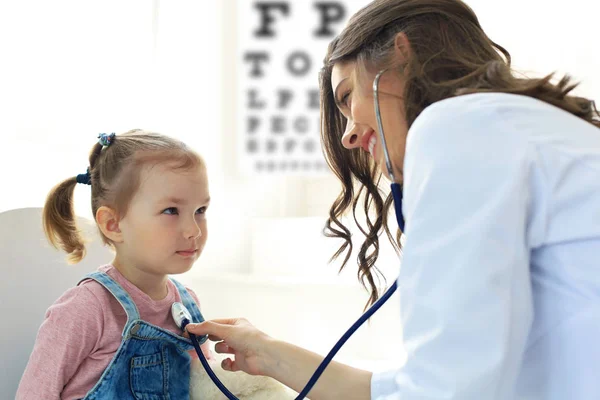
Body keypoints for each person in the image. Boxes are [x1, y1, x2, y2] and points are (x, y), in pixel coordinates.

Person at [185, 0, 600, 399]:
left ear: (404, 55)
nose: (348, 135)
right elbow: (416, 387)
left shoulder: (457, 125)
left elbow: (445, 392)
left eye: (347, 97)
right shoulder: (537, 130)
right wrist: (265, 352)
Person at [16, 129, 214, 399]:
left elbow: (204, 388)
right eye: (171, 211)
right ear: (113, 224)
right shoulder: (85, 309)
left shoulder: (187, 304)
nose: (193, 230)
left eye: (200, 211)